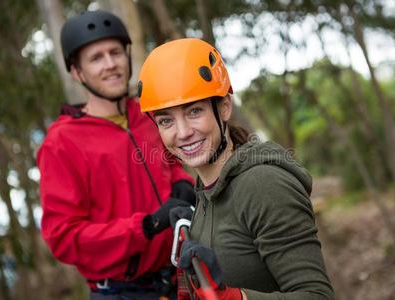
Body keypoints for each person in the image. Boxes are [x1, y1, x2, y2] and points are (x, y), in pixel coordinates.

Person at [137, 38, 334, 299]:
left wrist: (235, 297)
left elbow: (316, 295)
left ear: (225, 107)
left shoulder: (263, 185)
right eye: (166, 121)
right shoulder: (207, 192)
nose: (182, 133)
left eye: (194, 111)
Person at [37, 10, 196, 300]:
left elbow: (169, 167)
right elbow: (63, 238)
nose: (111, 65)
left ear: (127, 55)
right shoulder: (60, 143)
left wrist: (182, 182)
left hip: (180, 278)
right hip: (122, 292)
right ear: (77, 72)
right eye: (96, 58)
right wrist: (146, 227)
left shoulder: (148, 115)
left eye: (115, 53)